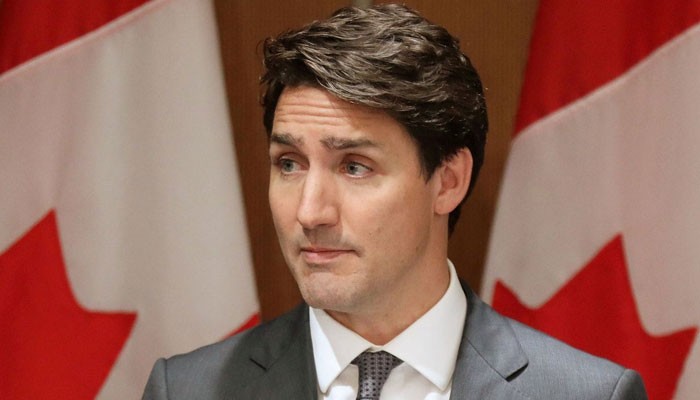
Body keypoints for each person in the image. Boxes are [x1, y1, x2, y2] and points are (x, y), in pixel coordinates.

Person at [142, 4, 647, 399]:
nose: (309, 212)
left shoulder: (587, 395)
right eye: (289, 164)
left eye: (354, 167)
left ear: (448, 181)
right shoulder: (185, 391)